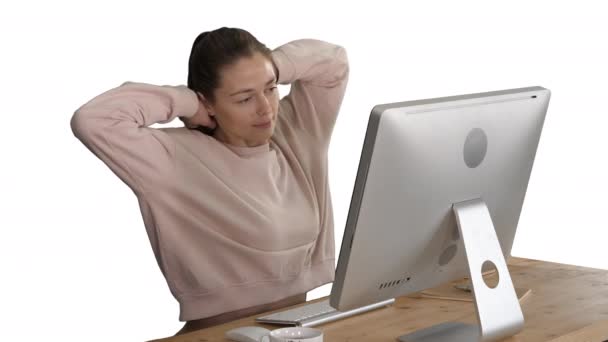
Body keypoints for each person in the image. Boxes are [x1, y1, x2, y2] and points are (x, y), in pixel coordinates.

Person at [70, 27, 349, 335]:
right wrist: (187, 103)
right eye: (244, 98)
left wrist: (271, 65)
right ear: (209, 103)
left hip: (296, 331)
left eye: (270, 89)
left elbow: (333, 62)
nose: (265, 108)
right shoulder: (172, 158)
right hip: (216, 337)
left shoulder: (298, 130)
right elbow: (92, 120)